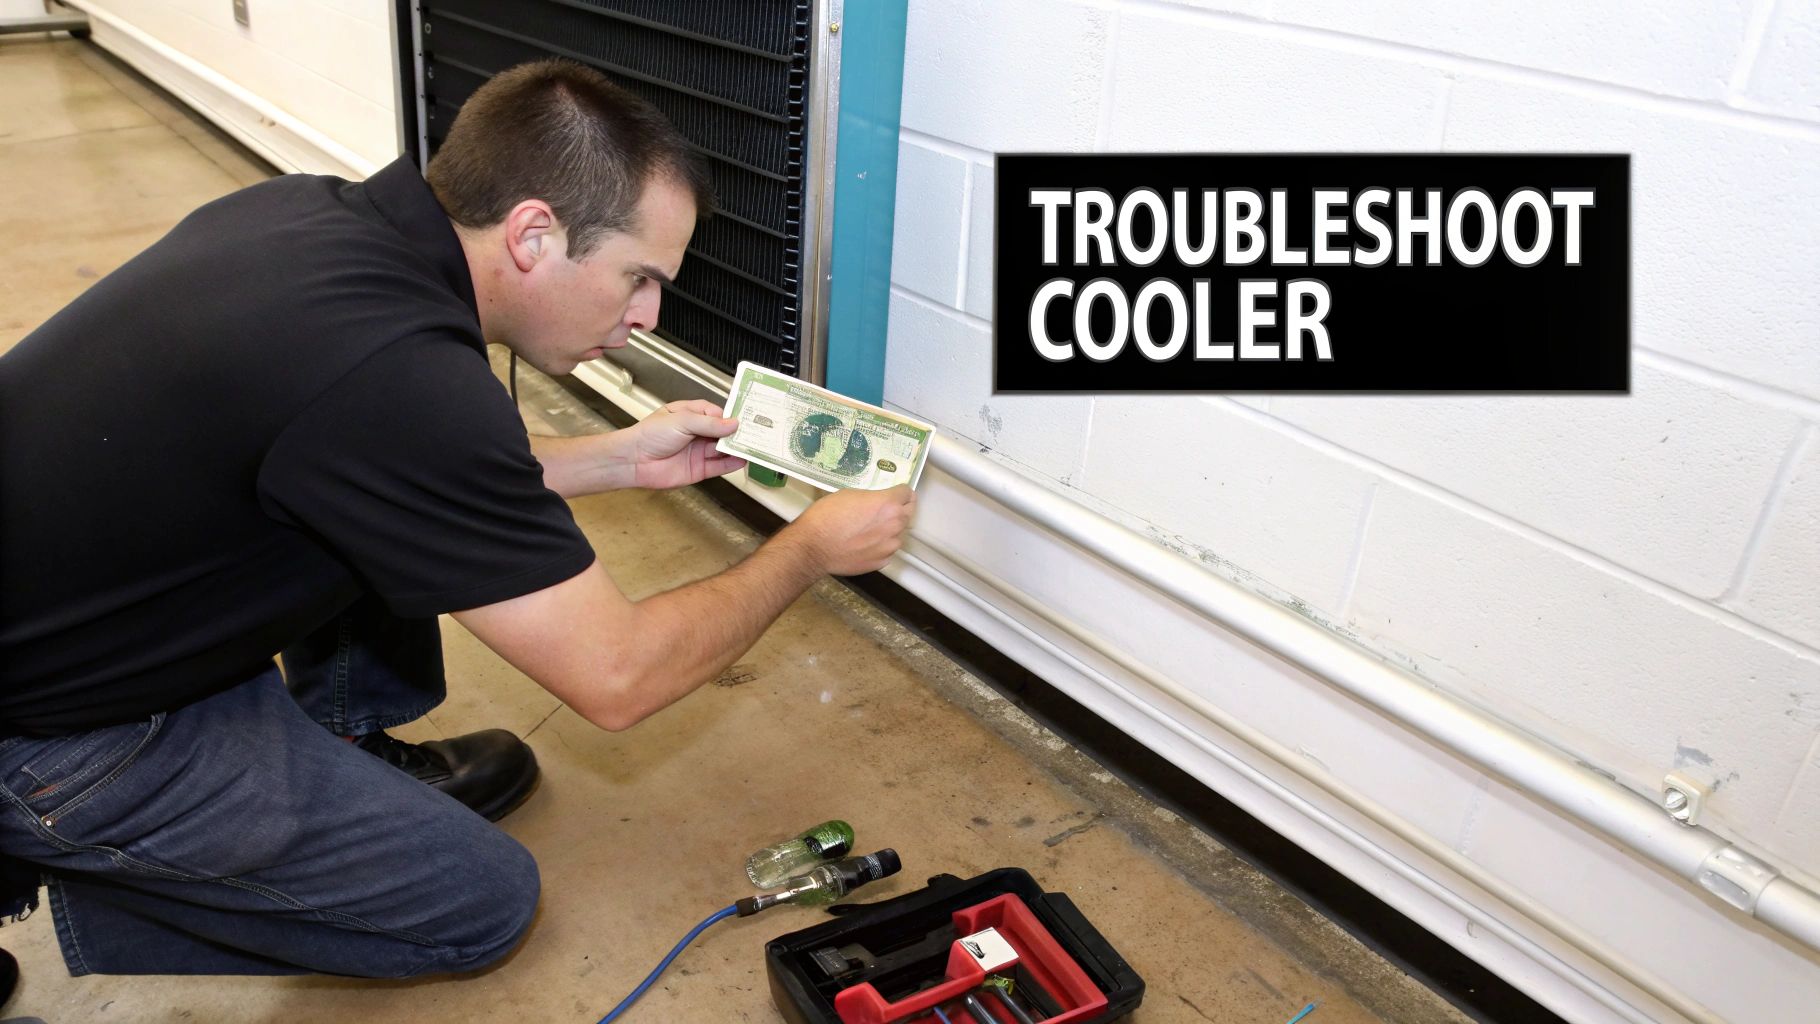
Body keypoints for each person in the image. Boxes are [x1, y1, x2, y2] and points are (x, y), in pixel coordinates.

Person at [0, 58, 914, 979]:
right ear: (533, 235)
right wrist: (806, 551)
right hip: (55, 731)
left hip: (61, 607)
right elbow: (618, 675)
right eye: (638, 277)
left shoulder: (309, 218)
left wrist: (616, 457)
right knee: (477, 904)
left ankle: (313, 761)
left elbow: (411, 460)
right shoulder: (400, 383)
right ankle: (84, 849)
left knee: (342, 501)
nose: (648, 315)